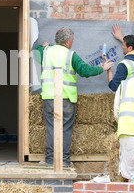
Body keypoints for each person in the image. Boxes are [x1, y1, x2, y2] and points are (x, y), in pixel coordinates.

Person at [35, 27, 113, 167]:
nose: (72, 42)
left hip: (49, 97)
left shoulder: (45, 52)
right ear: (67, 41)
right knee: (65, 128)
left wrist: (44, 46)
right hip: (66, 98)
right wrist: (102, 68)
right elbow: (85, 71)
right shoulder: (71, 55)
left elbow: (35, 52)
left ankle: (50, 160)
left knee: (51, 127)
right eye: (72, 40)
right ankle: (64, 161)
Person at [107, 23, 134, 92]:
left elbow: (114, 86)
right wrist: (122, 39)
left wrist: (108, 69)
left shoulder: (124, 65)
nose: (122, 47)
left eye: (123, 45)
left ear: (130, 48)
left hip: (132, 99)